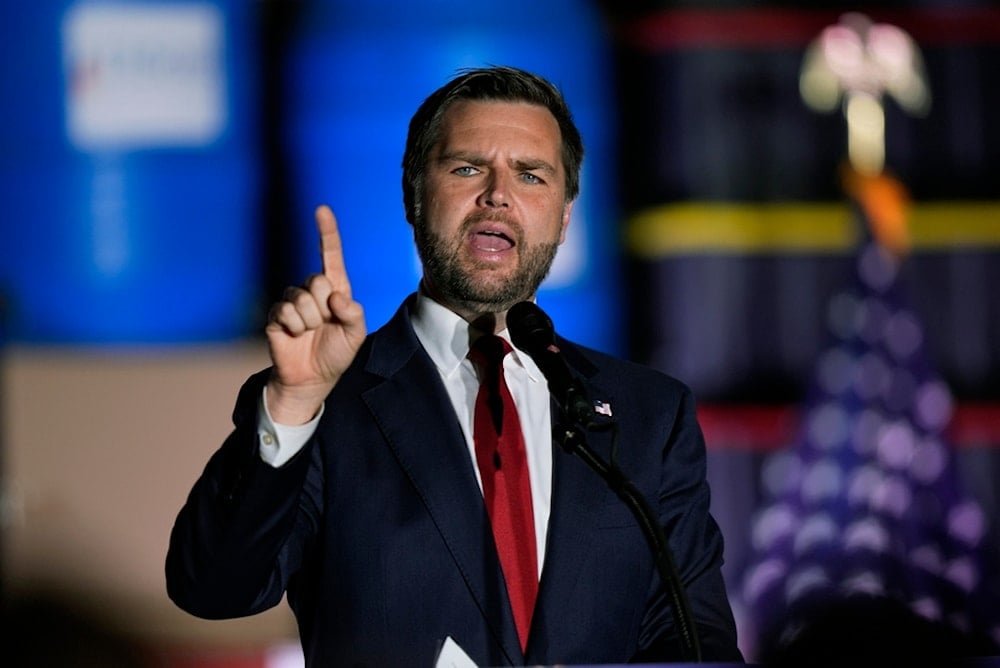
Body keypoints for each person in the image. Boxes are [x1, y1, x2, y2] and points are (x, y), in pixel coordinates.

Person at [166, 66, 742, 666]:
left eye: (531, 175)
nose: (498, 194)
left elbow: (695, 643)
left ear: (565, 216)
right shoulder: (325, 403)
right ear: (414, 197)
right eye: (467, 168)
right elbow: (214, 589)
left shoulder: (650, 415)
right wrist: (294, 403)